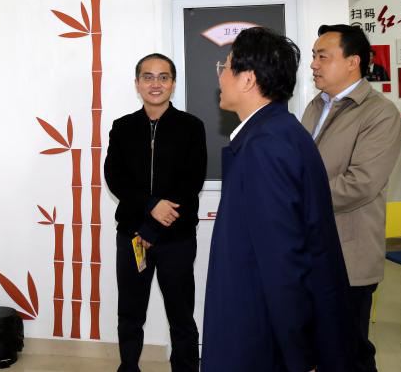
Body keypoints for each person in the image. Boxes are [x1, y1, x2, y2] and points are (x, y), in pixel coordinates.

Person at [202, 27, 354, 372]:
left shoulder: (265, 146)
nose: (220, 77)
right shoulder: (278, 132)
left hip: (261, 337)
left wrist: (301, 354)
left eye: (225, 67)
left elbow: (283, 261)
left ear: (247, 79)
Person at [302, 24, 401, 372]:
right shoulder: (315, 106)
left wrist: (297, 198)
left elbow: (361, 183)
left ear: (352, 62)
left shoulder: (379, 113)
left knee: (349, 354)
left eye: (322, 56)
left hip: (349, 257)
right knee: (315, 351)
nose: (313, 64)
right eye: (314, 56)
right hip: (310, 249)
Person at [104, 53, 207, 372]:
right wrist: (150, 206)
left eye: (163, 77)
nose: (155, 84)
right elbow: (115, 177)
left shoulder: (191, 127)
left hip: (176, 238)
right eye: (148, 77)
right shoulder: (122, 127)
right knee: (130, 313)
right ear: (137, 84)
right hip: (131, 236)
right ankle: (128, 367)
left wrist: (153, 228)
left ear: (173, 84)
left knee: (181, 315)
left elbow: (191, 182)